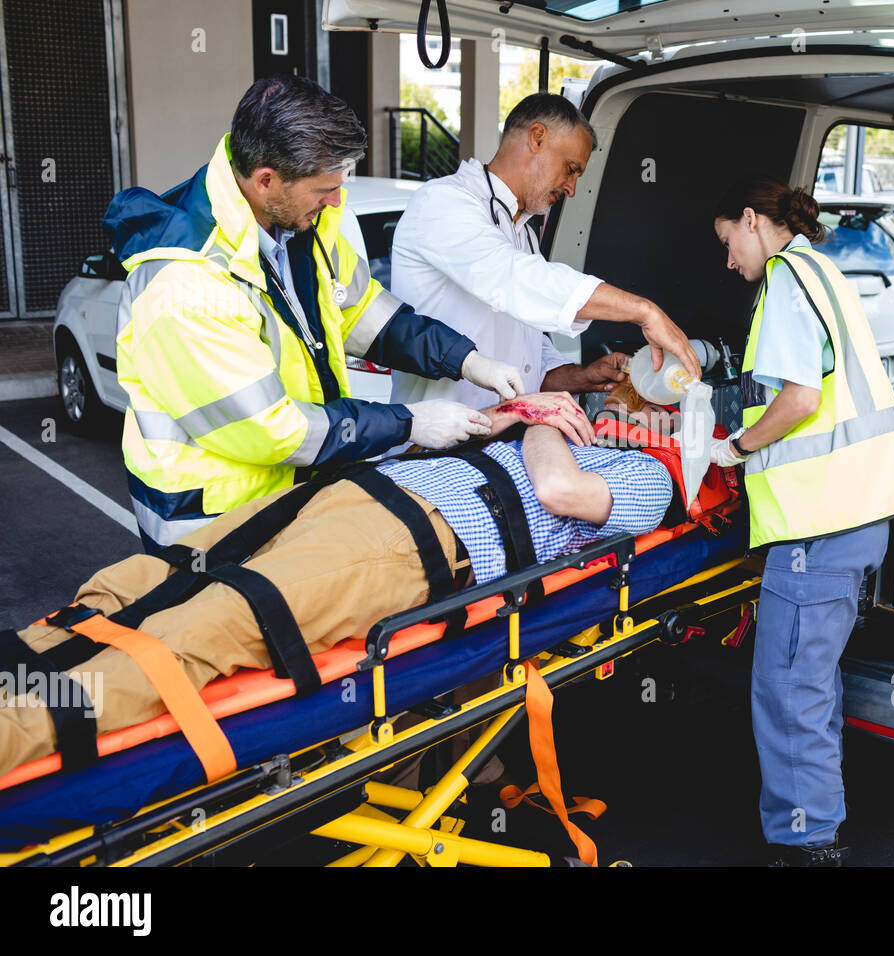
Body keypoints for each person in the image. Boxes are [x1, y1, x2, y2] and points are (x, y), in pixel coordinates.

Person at [0, 395, 673, 777]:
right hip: (353, 494)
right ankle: (19, 664)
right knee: (145, 581)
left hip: (410, 544)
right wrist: (506, 417)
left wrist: (544, 423)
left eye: (643, 390)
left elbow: (558, 490)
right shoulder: (548, 431)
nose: (621, 388)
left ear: (664, 425)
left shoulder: (650, 475)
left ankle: (17, 729)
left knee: (201, 630)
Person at [102, 75, 526, 553]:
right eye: (325, 188)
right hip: (211, 526)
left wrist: (467, 360)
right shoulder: (185, 282)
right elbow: (270, 430)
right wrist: (409, 422)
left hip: (291, 500)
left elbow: (368, 314)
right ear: (266, 180)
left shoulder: (304, 227)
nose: (337, 201)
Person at [710, 177, 894, 866]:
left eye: (727, 241)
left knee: (788, 688)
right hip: (858, 512)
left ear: (753, 219)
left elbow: (800, 399)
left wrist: (735, 447)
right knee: (811, 682)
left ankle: (807, 845)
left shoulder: (783, 277)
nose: (728, 260)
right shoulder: (823, 271)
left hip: (820, 521)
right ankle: (818, 824)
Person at [388, 92, 701, 415]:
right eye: (570, 169)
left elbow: (528, 362)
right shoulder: (443, 202)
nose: (571, 189)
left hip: (498, 442)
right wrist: (644, 311)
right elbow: (512, 277)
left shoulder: (522, 232)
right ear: (537, 137)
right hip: (434, 450)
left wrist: (582, 375)